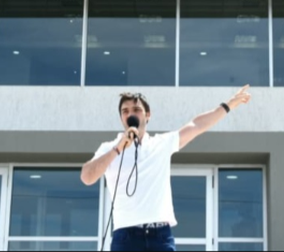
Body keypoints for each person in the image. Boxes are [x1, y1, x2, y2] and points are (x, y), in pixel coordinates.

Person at [80, 84, 252, 252]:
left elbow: (197, 126)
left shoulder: (161, 144)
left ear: (147, 115)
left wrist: (228, 105)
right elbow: (87, 177)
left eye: (136, 109)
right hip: (126, 237)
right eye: (125, 111)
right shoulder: (109, 148)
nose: (130, 114)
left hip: (160, 236)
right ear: (121, 118)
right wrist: (118, 148)